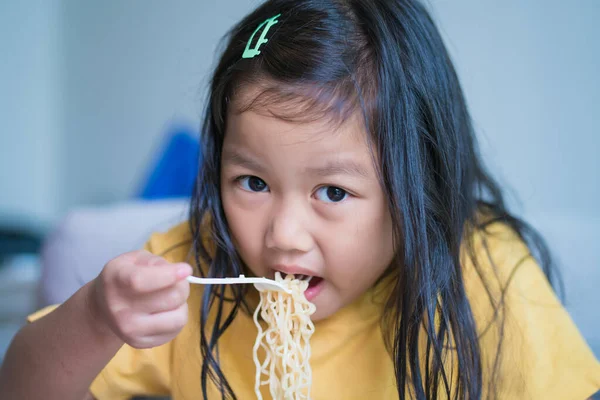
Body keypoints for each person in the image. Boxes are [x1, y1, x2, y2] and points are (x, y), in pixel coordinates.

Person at [1, 0, 599, 399]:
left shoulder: (481, 272)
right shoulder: (192, 265)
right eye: (253, 183)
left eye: (333, 192)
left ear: (419, 187)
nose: (283, 234)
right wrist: (96, 318)